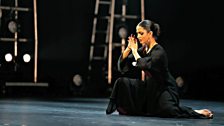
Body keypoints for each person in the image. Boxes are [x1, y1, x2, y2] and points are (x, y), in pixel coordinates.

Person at [105, 19, 213, 119]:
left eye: (141, 33)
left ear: (150, 34)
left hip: (165, 89)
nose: (138, 36)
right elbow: (122, 65)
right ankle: (129, 108)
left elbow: (143, 64)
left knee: (168, 110)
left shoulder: (159, 52)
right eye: (137, 33)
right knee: (122, 82)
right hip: (150, 87)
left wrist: (134, 51)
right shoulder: (144, 49)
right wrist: (128, 49)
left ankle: (196, 112)